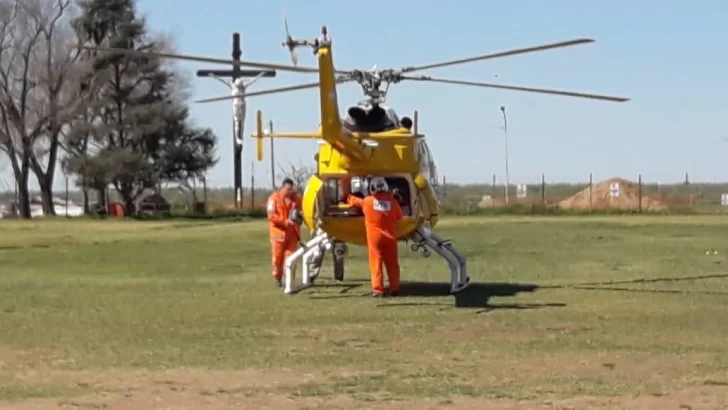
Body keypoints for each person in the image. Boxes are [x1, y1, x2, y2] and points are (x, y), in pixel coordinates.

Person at [347, 176, 404, 297]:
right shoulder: (393, 202)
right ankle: (394, 288)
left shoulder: (368, 201)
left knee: (376, 263)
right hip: (390, 237)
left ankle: (378, 290)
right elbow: (400, 216)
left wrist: (348, 197)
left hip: (374, 238)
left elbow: (355, 201)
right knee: (392, 264)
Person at [267, 178, 303, 287]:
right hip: (278, 234)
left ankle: (289, 281)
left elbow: (302, 210)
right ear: (283, 188)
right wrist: (286, 222)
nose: (290, 191)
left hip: (293, 233)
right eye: (288, 189)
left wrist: (300, 217)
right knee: (277, 258)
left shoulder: (296, 199)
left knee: (291, 257)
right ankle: (277, 277)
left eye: (292, 189)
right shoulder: (273, 199)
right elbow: (271, 216)